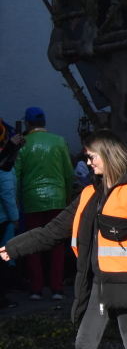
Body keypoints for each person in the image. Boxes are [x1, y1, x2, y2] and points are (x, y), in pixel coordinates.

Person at [1, 130, 127, 349]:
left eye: (91, 156)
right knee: (83, 348)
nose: (88, 162)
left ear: (107, 154)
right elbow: (54, 231)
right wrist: (14, 247)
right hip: (99, 282)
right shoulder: (90, 193)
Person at [14, 107, 76, 300]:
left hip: (32, 200)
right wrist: (67, 197)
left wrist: (16, 202)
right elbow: (68, 173)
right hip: (57, 198)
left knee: (33, 244)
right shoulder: (59, 142)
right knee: (57, 244)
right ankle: (57, 288)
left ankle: (36, 289)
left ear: (28, 123)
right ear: (44, 123)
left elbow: (16, 176)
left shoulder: (23, 145)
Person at [0, 121, 19, 308]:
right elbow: (6, 193)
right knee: (2, 261)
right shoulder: (3, 163)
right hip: (2, 219)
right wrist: (15, 217)